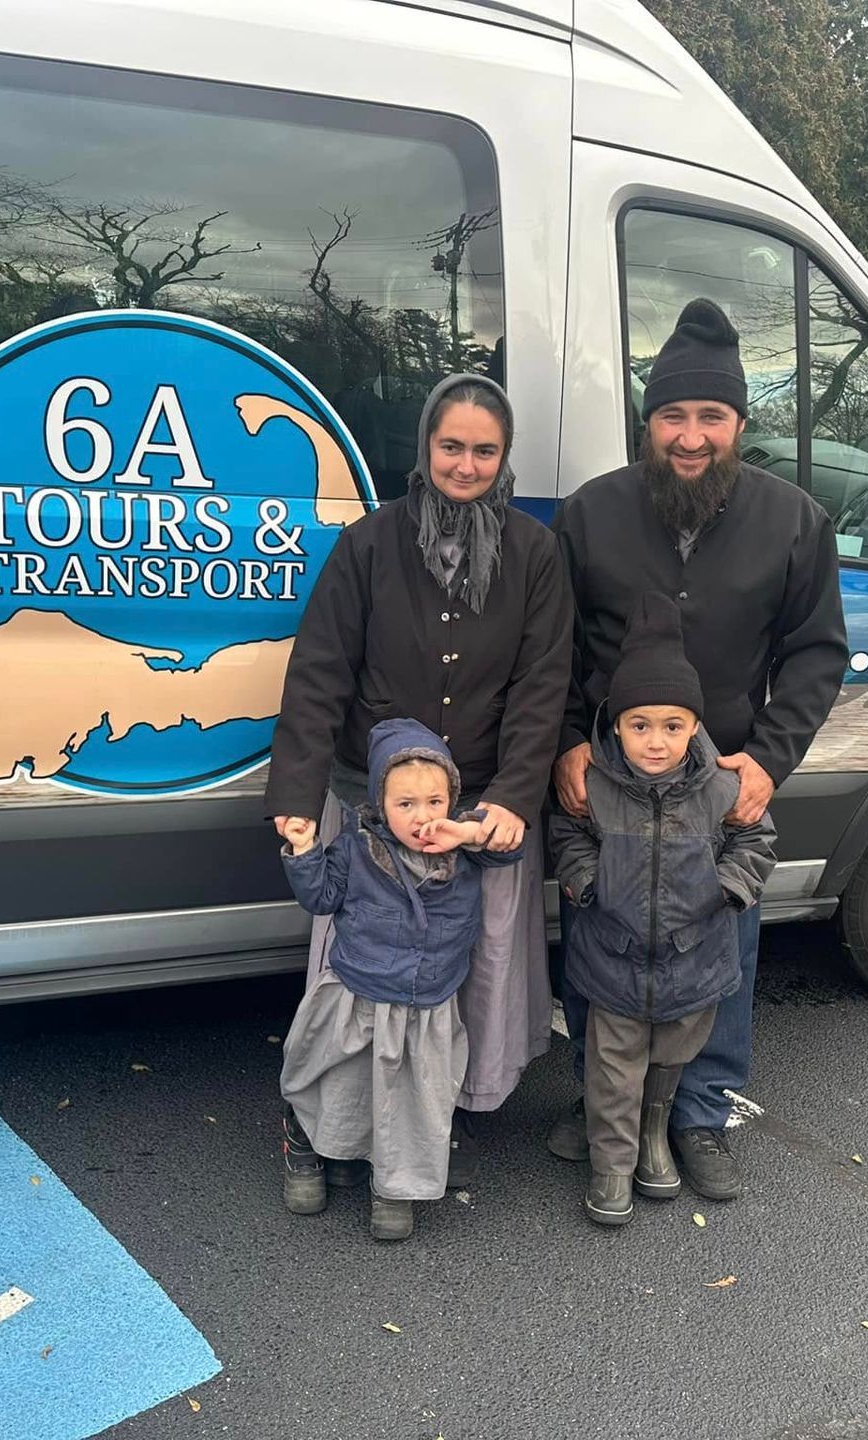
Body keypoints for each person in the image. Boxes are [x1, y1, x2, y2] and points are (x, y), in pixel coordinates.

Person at [549, 298, 849, 1201]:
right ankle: (602, 1102)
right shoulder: (590, 514)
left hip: (720, 790)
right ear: (649, 424)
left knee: (722, 948)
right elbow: (550, 648)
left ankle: (702, 1112)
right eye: (673, 416)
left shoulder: (794, 522)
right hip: (602, 789)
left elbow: (817, 652)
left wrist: (768, 759)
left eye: (710, 417)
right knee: (596, 942)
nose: (690, 437)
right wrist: (566, 742)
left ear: (739, 425)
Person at [266, 372, 574, 1184]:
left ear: (504, 458)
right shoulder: (368, 544)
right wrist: (296, 801)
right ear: (425, 447)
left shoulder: (537, 554)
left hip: (476, 807)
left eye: (483, 450)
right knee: (356, 975)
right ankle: (329, 1120)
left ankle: (443, 1104)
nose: (465, 465)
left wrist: (511, 798)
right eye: (450, 446)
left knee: (472, 965)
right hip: (372, 807)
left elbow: (543, 685)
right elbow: (319, 674)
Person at [550, 594, 776, 1226]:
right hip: (614, 964)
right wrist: (587, 884)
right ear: (615, 725)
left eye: (673, 726)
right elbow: (566, 837)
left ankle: (656, 1140)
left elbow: (757, 841)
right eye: (639, 725)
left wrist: (729, 889)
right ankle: (612, 1166)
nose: (656, 741)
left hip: (693, 963)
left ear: (695, 728)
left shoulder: (722, 787)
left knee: (671, 1058)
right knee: (614, 1068)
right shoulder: (593, 787)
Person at [277, 719, 521, 1242]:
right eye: (404, 803)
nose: (422, 817)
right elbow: (320, 897)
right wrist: (304, 849)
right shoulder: (356, 848)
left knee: (413, 1099)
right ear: (378, 803)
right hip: (356, 994)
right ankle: (307, 1146)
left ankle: (395, 1187)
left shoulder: (464, 846)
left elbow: (509, 845)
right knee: (338, 1083)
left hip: (426, 1005)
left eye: (434, 802)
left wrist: (471, 830)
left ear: (451, 799)